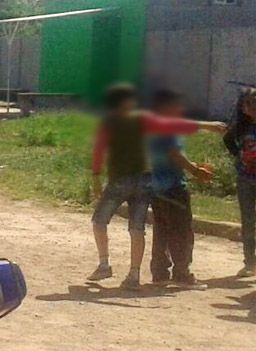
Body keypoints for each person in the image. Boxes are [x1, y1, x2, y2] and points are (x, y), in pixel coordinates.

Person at [88, 83, 226, 290]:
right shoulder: (144, 120)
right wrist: (208, 127)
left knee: (104, 221)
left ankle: (108, 264)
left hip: (130, 181)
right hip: (148, 181)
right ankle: (139, 274)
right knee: (143, 229)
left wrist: (96, 177)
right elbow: (174, 135)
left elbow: (99, 150)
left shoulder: (111, 122)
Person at [148, 89, 213, 290]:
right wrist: (195, 170)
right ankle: (182, 273)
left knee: (161, 230)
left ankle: (160, 272)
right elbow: (174, 154)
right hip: (173, 187)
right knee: (181, 231)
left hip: (157, 187)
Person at [224, 88, 256, 278]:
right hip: (245, 177)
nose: (249, 106)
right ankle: (249, 261)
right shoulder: (241, 127)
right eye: (246, 103)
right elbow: (227, 139)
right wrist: (239, 155)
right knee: (248, 220)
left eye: (252, 102)